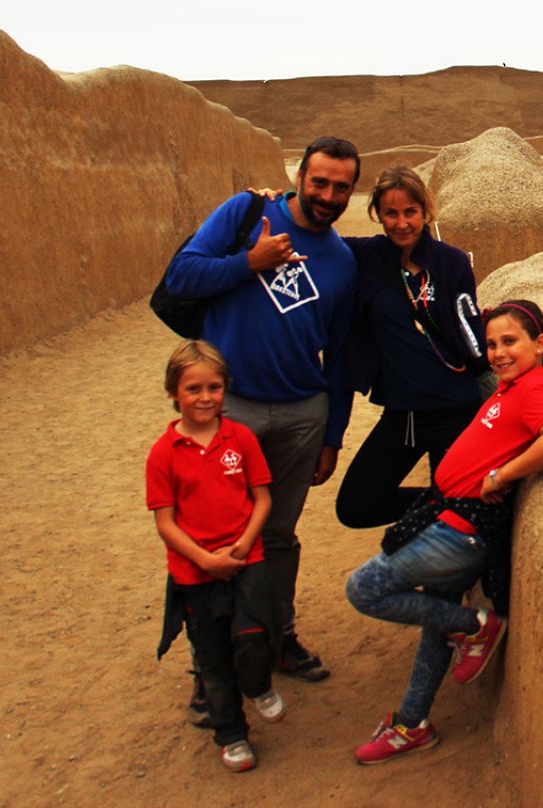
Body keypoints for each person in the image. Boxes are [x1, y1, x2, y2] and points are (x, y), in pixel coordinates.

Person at [344, 300, 543, 765]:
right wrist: (541, 351)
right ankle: (413, 723)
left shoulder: (532, 389)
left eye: (509, 341)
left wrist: (502, 475)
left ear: (538, 343)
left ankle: (476, 627)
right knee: (436, 622)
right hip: (450, 519)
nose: (497, 353)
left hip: (460, 532)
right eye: (491, 344)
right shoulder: (516, 382)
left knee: (364, 588)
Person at [165, 136, 361, 686]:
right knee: (216, 536)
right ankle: (215, 666)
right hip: (230, 412)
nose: (327, 195)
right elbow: (181, 276)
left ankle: (277, 637)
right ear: (299, 175)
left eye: (340, 187)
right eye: (319, 181)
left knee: (277, 536)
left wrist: (333, 434)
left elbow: (340, 355)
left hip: (302, 413)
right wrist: (249, 262)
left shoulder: (342, 261)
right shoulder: (247, 212)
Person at [147, 340, 287, 772]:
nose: (205, 397)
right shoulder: (163, 453)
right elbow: (166, 522)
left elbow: (261, 498)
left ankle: (259, 684)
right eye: (193, 389)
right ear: (174, 393)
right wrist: (205, 560)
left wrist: (245, 543)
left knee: (254, 637)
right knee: (212, 657)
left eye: (214, 387)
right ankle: (231, 734)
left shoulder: (240, 438)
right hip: (195, 572)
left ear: (225, 389)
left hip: (247, 558)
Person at [335, 166, 489, 530]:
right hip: (403, 415)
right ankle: (438, 503)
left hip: (455, 410)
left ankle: (446, 516)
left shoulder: (450, 262)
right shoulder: (367, 256)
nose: (401, 223)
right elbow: (311, 238)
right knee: (357, 505)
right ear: (378, 214)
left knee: (462, 518)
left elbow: (470, 324)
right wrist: (272, 204)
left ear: (425, 211)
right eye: (391, 213)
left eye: (410, 212)